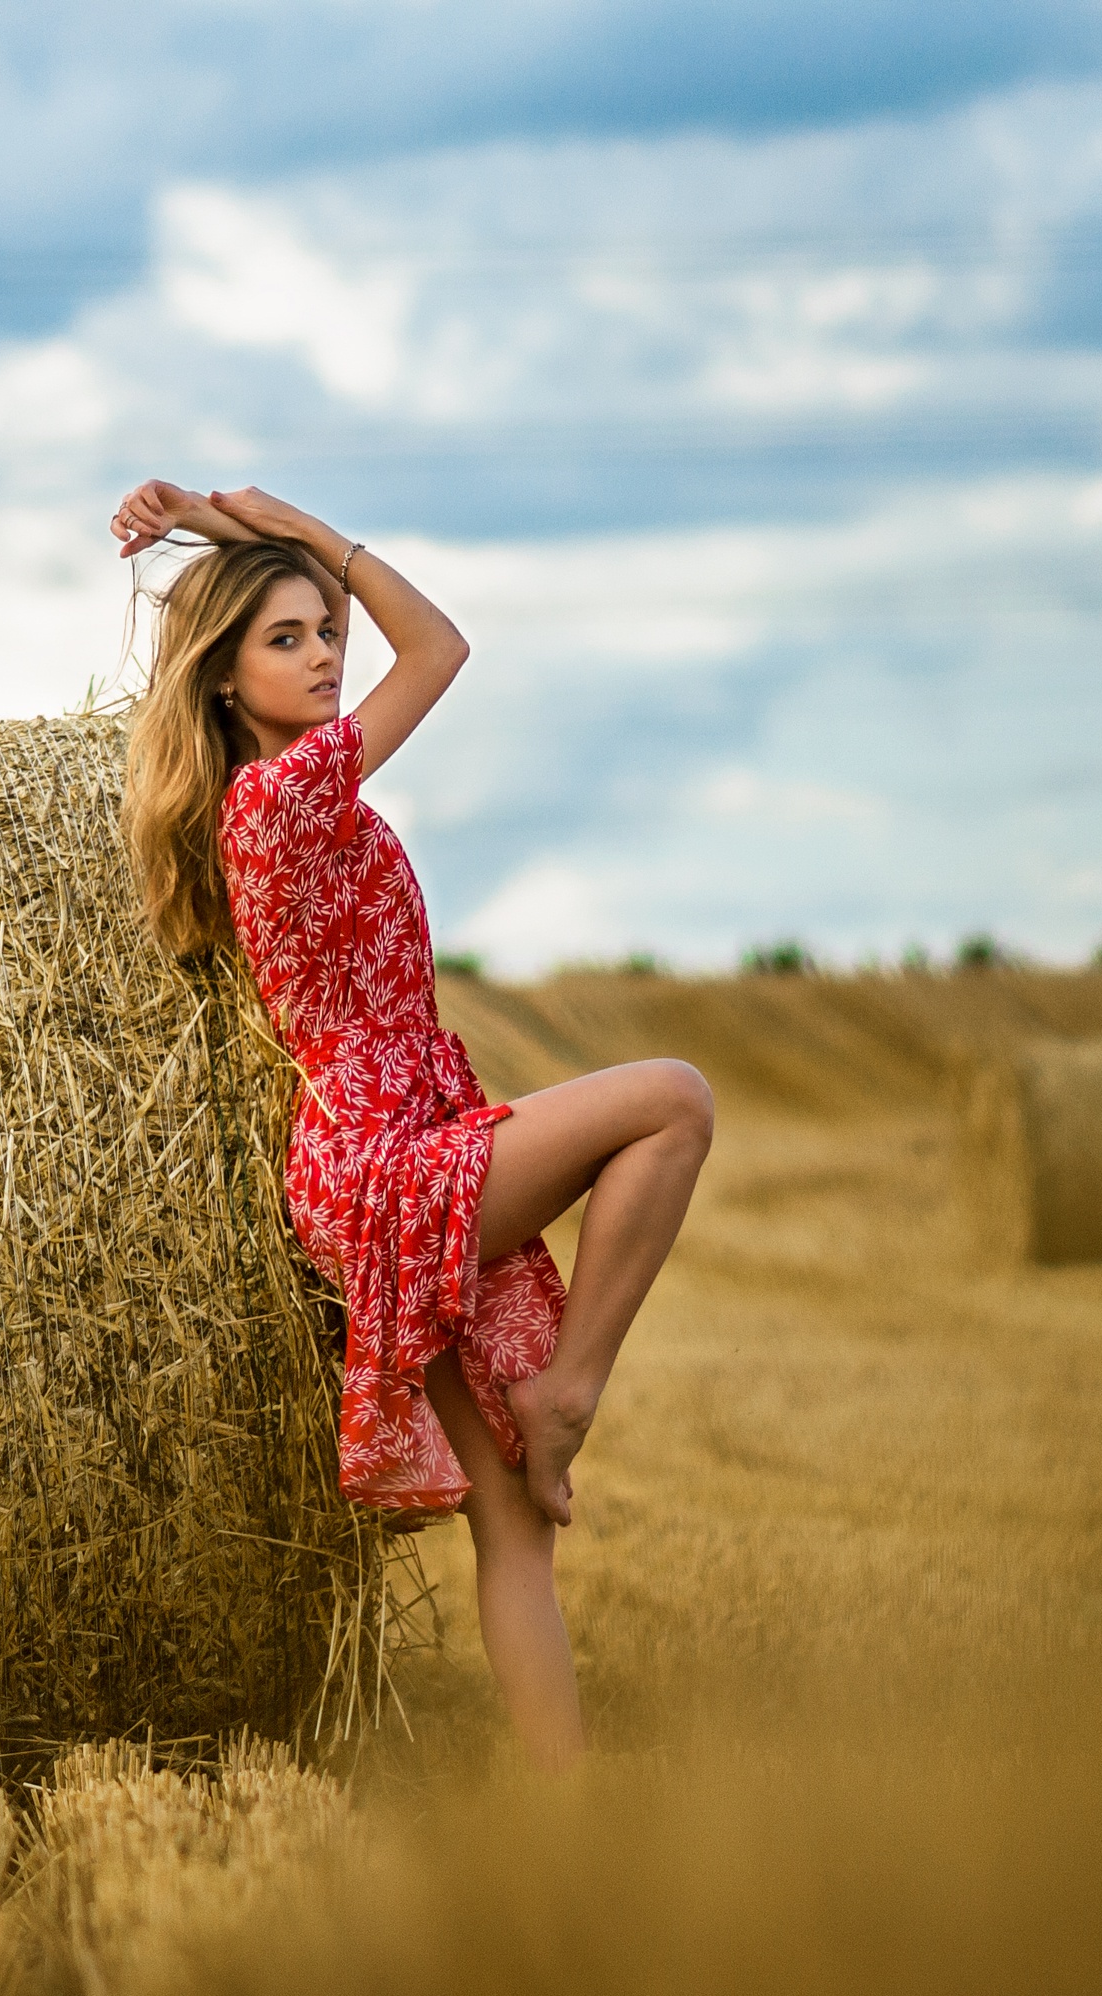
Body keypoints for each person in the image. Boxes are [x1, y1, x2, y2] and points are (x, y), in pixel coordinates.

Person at [112, 480, 714, 1770]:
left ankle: (568, 1807)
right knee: (672, 1099)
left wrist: (262, 554)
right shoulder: (282, 802)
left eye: (328, 628)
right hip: (382, 1160)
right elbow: (441, 647)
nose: (329, 653)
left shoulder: (296, 801)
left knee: (513, 1528)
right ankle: (572, 1391)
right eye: (289, 637)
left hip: (393, 1138)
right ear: (222, 679)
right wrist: (300, 527)